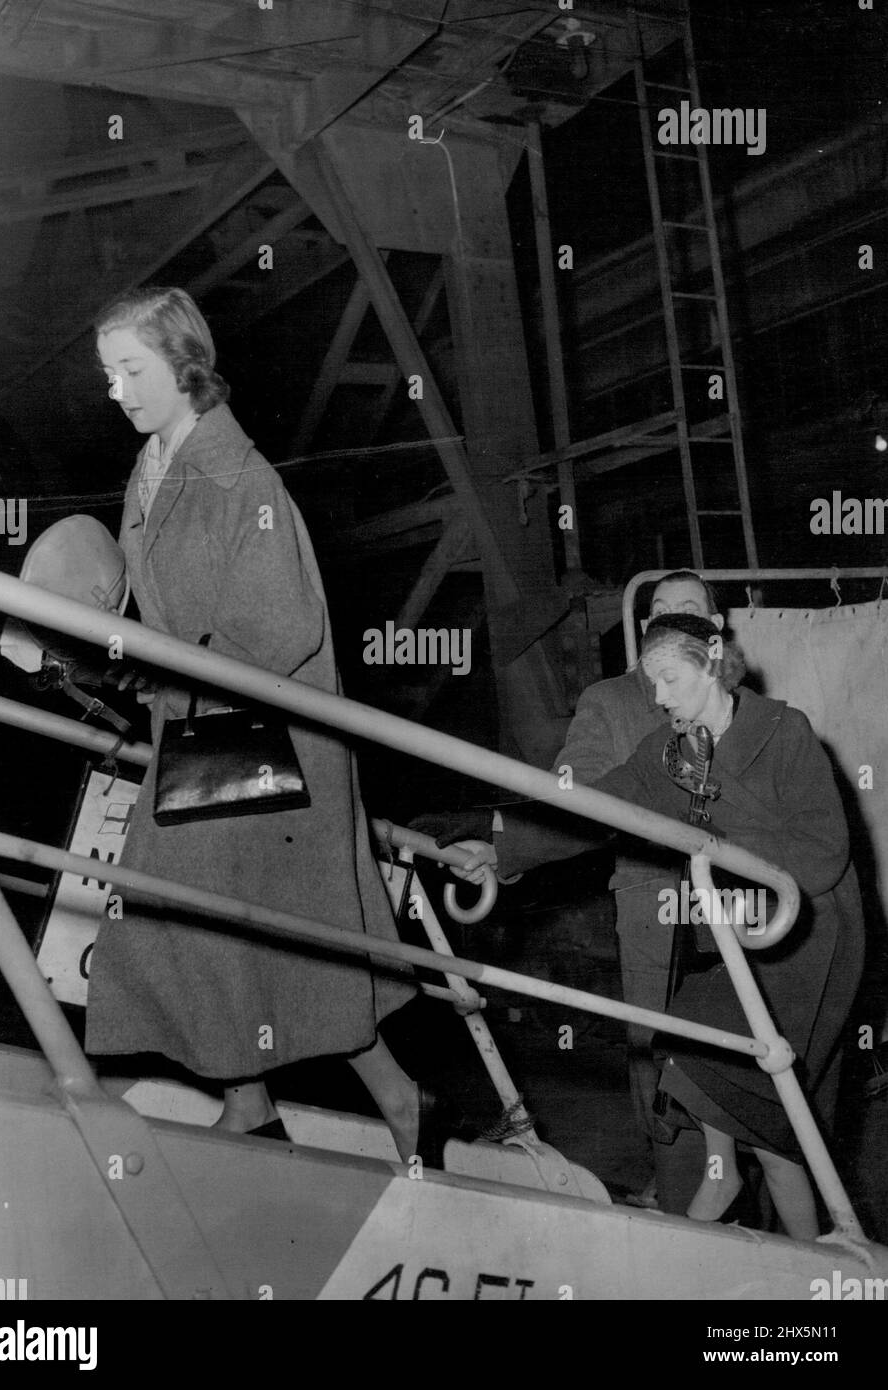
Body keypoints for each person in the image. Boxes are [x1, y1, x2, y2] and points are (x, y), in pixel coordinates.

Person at [86, 286, 437, 1163]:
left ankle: (343, 1099)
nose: (117, 390)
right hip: (209, 735)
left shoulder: (243, 479)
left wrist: (163, 660)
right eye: (108, 374)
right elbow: (168, 611)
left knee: (227, 932)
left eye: (131, 370)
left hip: (273, 751)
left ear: (183, 364)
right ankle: (352, 1099)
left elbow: (284, 632)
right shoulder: (153, 466)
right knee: (221, 934)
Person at [466, 615, 866, 1237]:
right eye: (650, 683)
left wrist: (716, 841)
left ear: (711, 663)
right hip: (742, 932)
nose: (658, 698)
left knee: (758, 1093)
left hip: (808, 934)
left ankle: (814, 1257)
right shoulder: (672, 754)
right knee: (722, 1063)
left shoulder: (784, 730)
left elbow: (824, 849)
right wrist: (499, 842)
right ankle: (739, 1193)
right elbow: (601, 806)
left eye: (669, 679)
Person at [420, 571, 724, 1208]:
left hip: (747, 914)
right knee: (666, 1070)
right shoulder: (611, 702)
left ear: (717, 631)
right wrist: (503, 840)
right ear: (644, 633)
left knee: (752, 1083)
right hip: (654, 908)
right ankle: (682, 1216)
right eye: (660, 614)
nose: (672, 623)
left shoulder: (748, 703)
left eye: (690, 612)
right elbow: (576, 798)